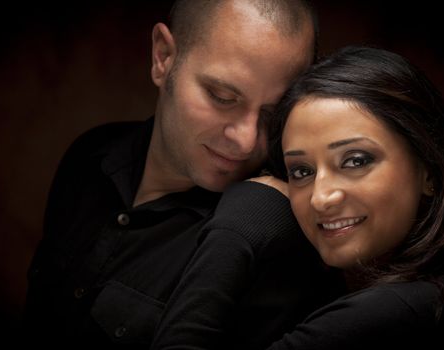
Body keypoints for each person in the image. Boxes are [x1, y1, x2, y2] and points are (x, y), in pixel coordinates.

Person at [22, 0, 346, 347]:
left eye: (272, 114)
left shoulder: (269, 238)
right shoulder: (90, 155)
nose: (247, 140)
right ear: (163, 57)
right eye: (223, 97)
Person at [251, 45, 444, 348]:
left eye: (355, 161)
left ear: (429, 169)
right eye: (301, 171)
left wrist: (233, 230)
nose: (320, 198)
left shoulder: (389, 313)